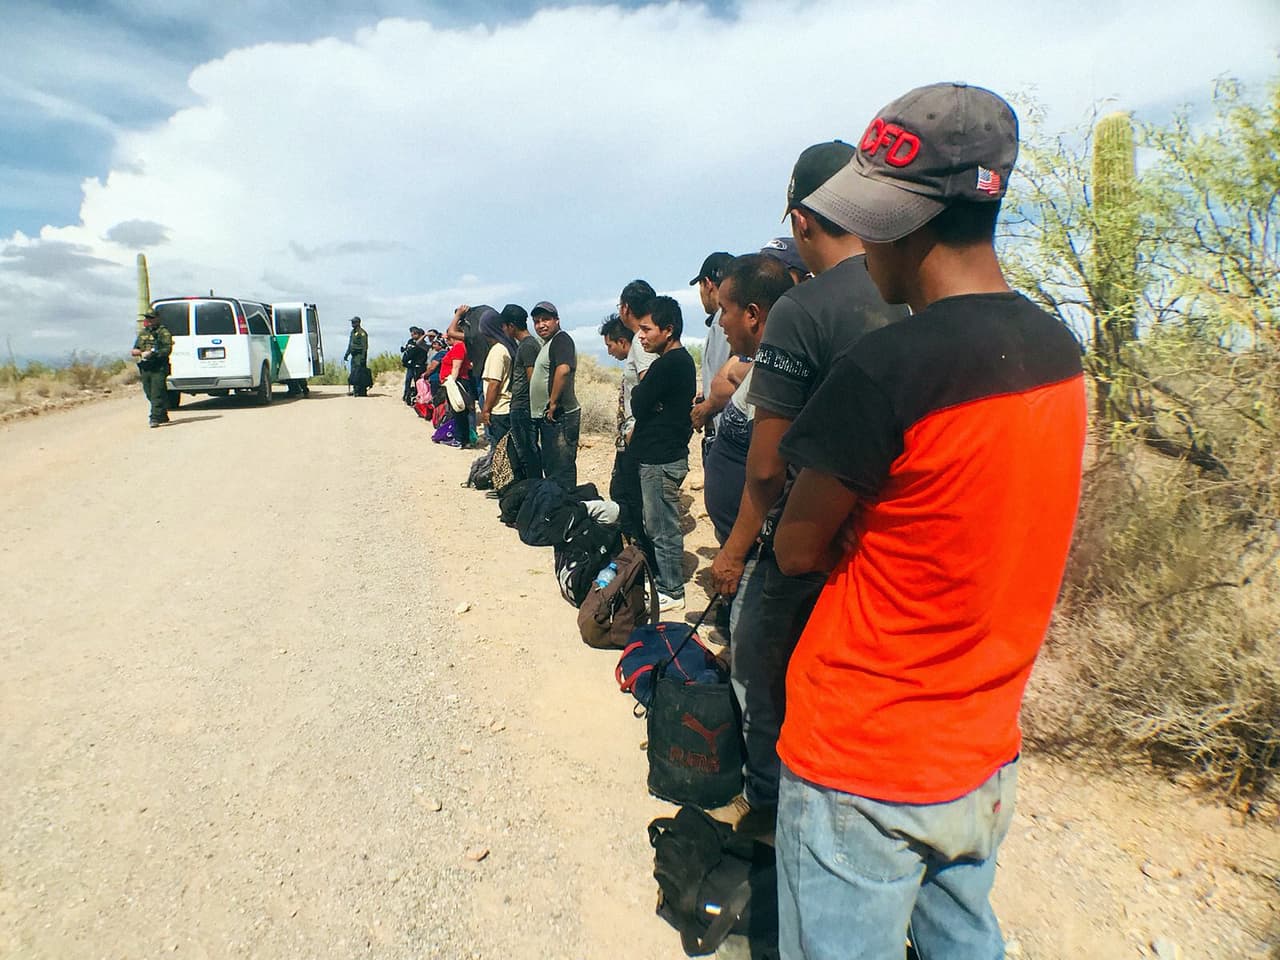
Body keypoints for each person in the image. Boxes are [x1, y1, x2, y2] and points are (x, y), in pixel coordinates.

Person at [769, 83, 1087, 960]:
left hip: (863, 753)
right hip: (980, 748)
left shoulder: (887, 369)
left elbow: (795, 548)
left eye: (871, 216)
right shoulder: (1058, 352)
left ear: (908, 221)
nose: (862, 239)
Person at [708, 139, 907, 834]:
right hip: (884, 546)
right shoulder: (911, 296)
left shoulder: (804, 310)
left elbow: (768, 467)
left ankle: (771, 814)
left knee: (758, 676)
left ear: (801, 220)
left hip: (799, 541)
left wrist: (734, 552)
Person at [701, 255, 794, 635]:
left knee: (751, 647)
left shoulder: (780, 375)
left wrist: (735, 553)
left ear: (753, 314)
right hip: (743, 548)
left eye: (726, 310)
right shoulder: (761, 365)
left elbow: (769, 475)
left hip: (755, 556)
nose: (721, 321)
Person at [631, 296, 697, 612]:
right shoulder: (676, 363)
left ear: (667, 330)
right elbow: (646, 403)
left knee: (662, 527)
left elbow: (639, 403)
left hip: (661, 458)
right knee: (657, 523)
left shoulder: (669, 364)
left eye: (647, 329)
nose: (641, 336)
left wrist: (643, 397)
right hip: (661, 454)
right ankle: (665, 581)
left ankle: (671, 588)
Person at [600, 313, 653, 562]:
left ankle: (639, 551)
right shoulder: (633, 357)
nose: (609, 352)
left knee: (630, 496)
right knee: (621, 491)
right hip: (627, 438)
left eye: (610, 345)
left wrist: (635, 430)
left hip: (635, 437)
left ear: (622, 341)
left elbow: (647, 394)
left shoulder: (640, 353)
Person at [688, 252, 738, 453]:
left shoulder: (721, 322)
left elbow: (727, 377)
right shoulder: (735, 317)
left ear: (707, 284)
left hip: (723, 435)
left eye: (700, 286)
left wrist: (706, 406)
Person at [529, 302, 580, 487]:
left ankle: (566, 501)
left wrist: (553, 402)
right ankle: (555, 501)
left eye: (546, 320)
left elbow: (563, 370)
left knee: (561, 466)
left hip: (561, 415)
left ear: (557, 320)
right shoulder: (548, 344)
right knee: (552, 465)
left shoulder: (561, 339)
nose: (541, 325)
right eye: (537, 321)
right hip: (552, 416)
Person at [503, 304, 543, 480]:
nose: (503, 330)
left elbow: (532, 379)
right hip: (523, 406)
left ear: (511, 326)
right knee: (526, 451)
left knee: (527, 453)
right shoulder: (527, 345)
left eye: (504, 326)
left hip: (523, 407)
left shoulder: (528, 346)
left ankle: (533, 487)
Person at [479, 309, 515, 446]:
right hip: (505, 407)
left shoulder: (497, 351)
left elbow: (494, 383)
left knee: (500, 450)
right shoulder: (506, 347)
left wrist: (486, 410)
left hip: (499, 409)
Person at [131, 310, 173, 428]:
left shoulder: (163, 332)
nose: (149, 320)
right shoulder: (143, 333)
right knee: (149, 392)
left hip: (158, 367)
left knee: (156, 393)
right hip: (146, 367)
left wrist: (153, 354)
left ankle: (154, 417)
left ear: (157, 319)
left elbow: (167, 350)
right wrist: (138, 352)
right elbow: (136, 348)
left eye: (151, 318)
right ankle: (162, 413)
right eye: (147, 318)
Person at [438, 334, 474, 447]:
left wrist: (451, 383)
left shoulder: (459, 347)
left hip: (457, 382)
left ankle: (460, 439)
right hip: (456, 381)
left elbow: (456, 367)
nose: (446, 340)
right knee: (459, 411)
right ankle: (463, 439)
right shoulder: (459, 347)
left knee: (458, 410)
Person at [400, 326, 429, 405]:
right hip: (410, 364)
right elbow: (407, 351)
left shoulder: (423, 345)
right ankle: (406, 395)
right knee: (408, 380)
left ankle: (417, 395)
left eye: (415, 334)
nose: (412, 335)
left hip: (418, 365)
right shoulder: (410, 342)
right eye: (412, 334)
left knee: (417, 381)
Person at [344, 316, 369, 396]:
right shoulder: (352, 332)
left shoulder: (362, 333)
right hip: (354, 356)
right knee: (354, 373)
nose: (352, 324)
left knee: (360, 373)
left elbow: (364, 346)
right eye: (352, 322)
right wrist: (346, 354)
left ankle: (361, 390)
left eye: (354, 322)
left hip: (359, 356)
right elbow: (350, 344)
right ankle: (355, 389)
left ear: (358, 323)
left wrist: (363, 357)